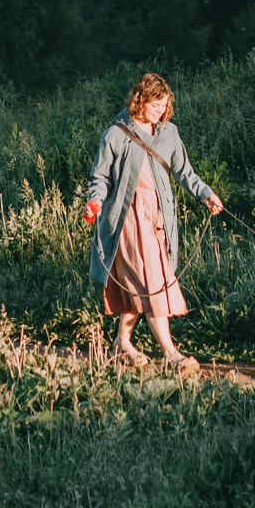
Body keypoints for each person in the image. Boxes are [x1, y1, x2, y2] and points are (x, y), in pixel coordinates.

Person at [84, 72, 223, 369]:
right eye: (154, 105)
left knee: (141, 282)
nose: (160, 111)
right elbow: (100, 176)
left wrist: (206, 195)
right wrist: (94, 202)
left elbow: (185, 172)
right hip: (127, 218)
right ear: (140, 100)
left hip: (159, 216)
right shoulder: (117, 133)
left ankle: (122, 343)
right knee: (151, 283)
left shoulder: (169, 133)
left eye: (164, 105)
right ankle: (171, 354)